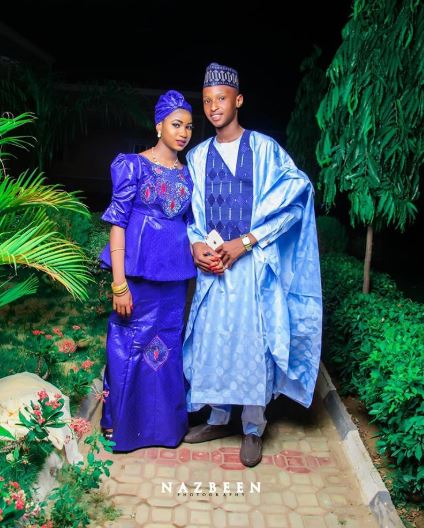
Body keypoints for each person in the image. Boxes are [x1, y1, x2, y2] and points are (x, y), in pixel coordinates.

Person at [182, 63, 322, 467]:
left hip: (255, 268)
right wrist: (196, 245)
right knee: (213, 340)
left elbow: (296, 198)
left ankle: (253, 427)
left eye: (221, 99)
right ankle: (218, 418)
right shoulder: (196, 157)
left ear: (238, 100)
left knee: (252, 343)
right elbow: (190, 217)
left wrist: (246, 241)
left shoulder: (265, 150)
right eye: (207, 101)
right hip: (213, 270)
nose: (213, 107)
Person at [98, 90, 196, 451]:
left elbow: (192, 225)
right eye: (176, 125)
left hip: (174, 278)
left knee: (165, 347)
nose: (183, 132)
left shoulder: (189, 175)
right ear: (159, 126)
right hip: (136, 275)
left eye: (188, 126)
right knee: (128, 345)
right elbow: (118, 223)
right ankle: (120, 422)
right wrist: (119, 284)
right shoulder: (132, 166)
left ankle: (164, 428)